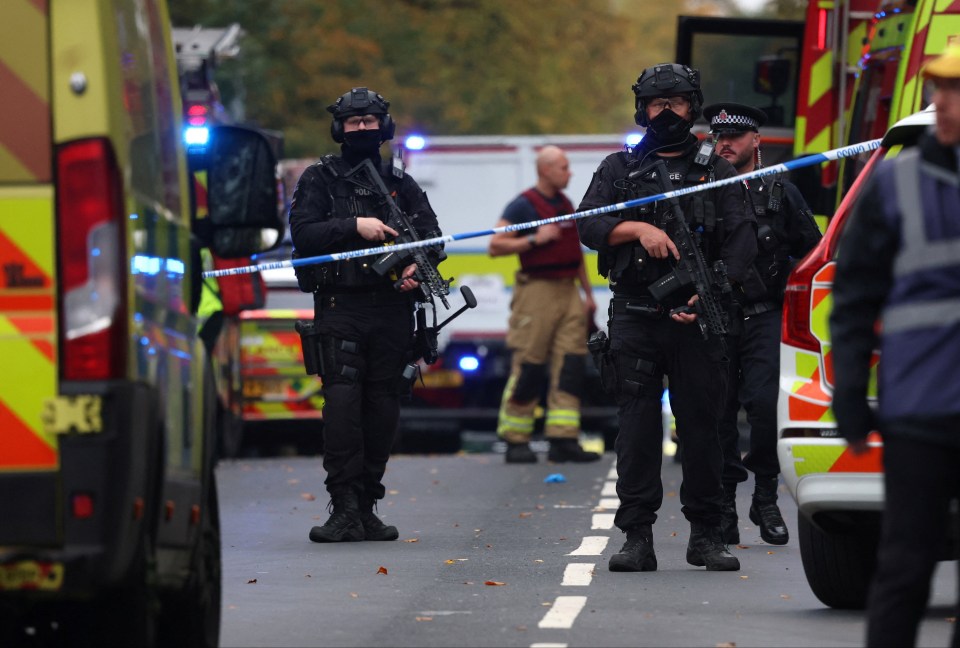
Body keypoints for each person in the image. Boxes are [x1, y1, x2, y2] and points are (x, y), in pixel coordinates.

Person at [577, 63, 757, 572]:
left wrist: (715, 290)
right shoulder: (619, 169)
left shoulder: (715, 170)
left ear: (691, 105)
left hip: (697, 317)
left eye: (676, 102)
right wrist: (635, 228)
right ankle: (637, 536)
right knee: (635, 428)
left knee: (702, 428)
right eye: (657, 104)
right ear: (643, 108)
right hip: (635, 313)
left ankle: (707, 535)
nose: (666, 112)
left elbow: (742, 239)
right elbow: (588, 224)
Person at [830, 46, 960, 647]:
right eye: (942, 89)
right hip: (922, 408)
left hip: (925, 401)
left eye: (956, 91)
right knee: (906, 566)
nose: (947, 104)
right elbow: (854, 298)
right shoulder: (896, 182)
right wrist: (850, 394)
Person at [289, 87, 446, 543]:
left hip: (393, 309)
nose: (362, 129)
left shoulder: (401, 183)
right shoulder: (320, 179)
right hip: (341, 305)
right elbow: (304, 235)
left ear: (385, 126)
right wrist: (354, 227)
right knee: (342, 406)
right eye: (354, 123)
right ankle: (343, 507)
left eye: (370, 122)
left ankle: (368, 503)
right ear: (340, 128)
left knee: (383, 407)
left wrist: (421, 265)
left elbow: (432, 237)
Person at [703, 102, 822, 546]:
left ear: (757, 141)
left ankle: (766, 496)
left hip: (764, 315)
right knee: (717, 413)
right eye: (719, 136)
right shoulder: (700, 191)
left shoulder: (782, 193)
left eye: (735, 136)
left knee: (767, 407)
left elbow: (812, 253)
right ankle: (724, 505)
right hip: (716, 316)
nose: (726, 143)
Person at [488, 145, 601, 464]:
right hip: (536, 291)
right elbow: (495, 245)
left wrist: (588, 295)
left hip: (568, 292)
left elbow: (574, 253)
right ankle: (516, 439)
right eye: (564, 167)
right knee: (530, 364)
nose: (570, 172)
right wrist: (535, 239)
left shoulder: (565, 204)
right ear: (546, 170)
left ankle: (563, 439)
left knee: (571, 365)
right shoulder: (524, 205)